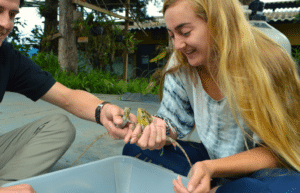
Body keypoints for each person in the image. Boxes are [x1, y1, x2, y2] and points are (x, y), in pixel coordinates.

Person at [122, 0, 300, 192]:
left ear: (218, 22)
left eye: (185, 32)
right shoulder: (182, 62)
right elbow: (172, 120)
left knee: (286, 186)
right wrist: (156, 130)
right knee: (135, 150)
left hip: (259, 170)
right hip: (212, 160)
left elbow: (281, 151)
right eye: (172, 35)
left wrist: (211, 168)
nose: (178, 45)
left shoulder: (267, 62)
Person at [0, 0, 136, 192]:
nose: (6, 24)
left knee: (60, 127)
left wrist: (103, 111)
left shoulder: (6, 57)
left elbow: (67, 97)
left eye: (12, 15)